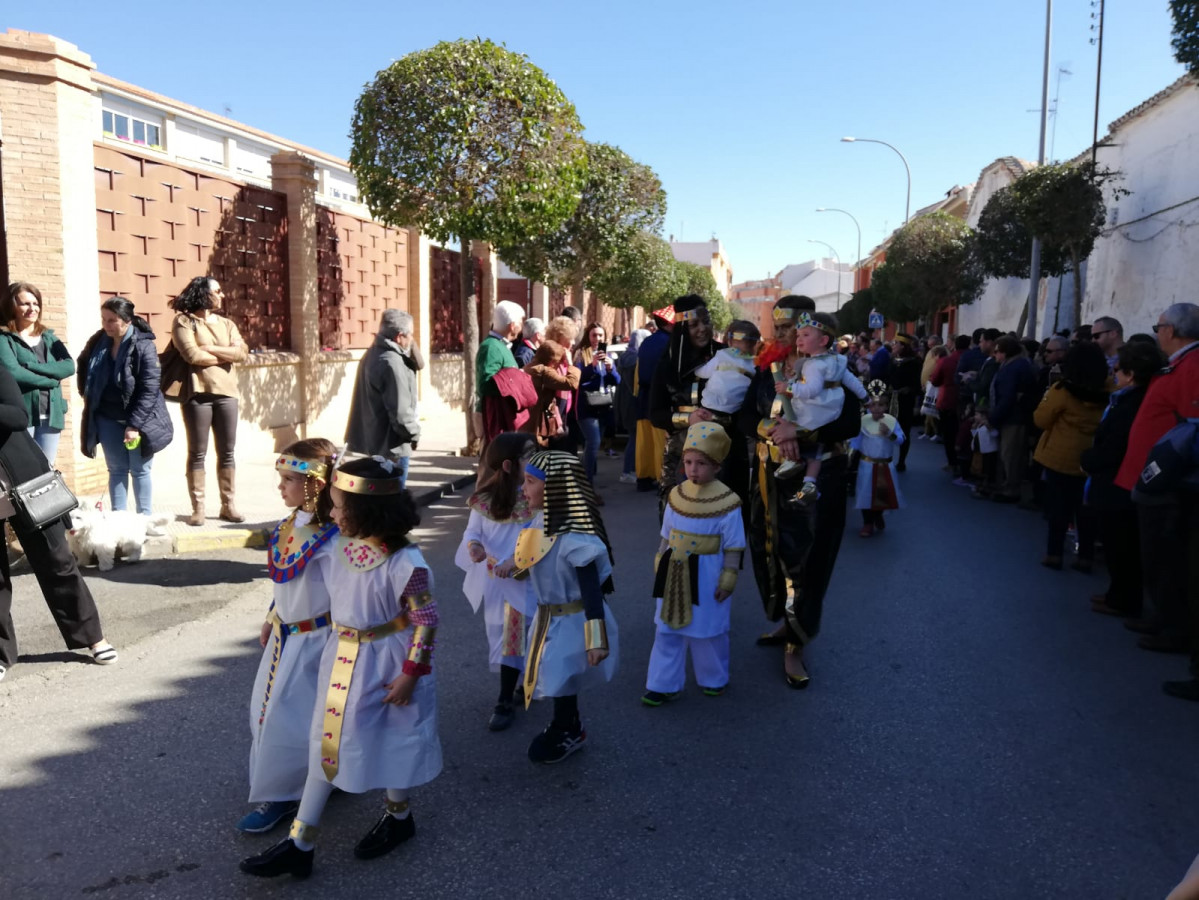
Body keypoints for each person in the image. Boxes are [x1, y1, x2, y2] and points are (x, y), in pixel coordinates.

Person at [240, 457, 441, 878]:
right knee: (325, 744)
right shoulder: (335, 547)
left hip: (387, 662)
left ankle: (398, 817)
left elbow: (425, 622)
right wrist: (276, 614)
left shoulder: (406, 563)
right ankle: (300, 841)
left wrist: (410, 674)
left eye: (337, 507)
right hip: (342, 657)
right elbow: (295, 581)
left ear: (367, 511)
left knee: (393, 738)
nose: (330, 515)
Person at [737, 295, 859, 689]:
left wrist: (802, 432)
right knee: (768, 549)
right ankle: (785, 621)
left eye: (795, 326)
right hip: (769, 475)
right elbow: (744, 415)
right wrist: (771, 430)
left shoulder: (833, 365)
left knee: (808, 557)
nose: (788, 334)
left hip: (818, 478)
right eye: (782, 327)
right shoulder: (769, 366)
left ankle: (797, 639)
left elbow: (851, 422)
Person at [238, 439, 338, 835]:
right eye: (280, 479)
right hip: (285, 640)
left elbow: (344, 593)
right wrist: (271, 614)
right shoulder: (288, 525)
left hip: (319, 641)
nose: (281, 487)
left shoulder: (333, 535)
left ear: (315, 483)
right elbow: (285, 585)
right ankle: (292, 785)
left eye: (289, 480)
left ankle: (283, 796)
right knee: (269, 715)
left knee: (297, 720)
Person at [0, 365, 118, 683]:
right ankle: (1, 653)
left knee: (57, 561)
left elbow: (16, 416)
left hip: (24, 481)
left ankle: (92, 638)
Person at [1111, 304, 1199, 687]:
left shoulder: (1192, 366)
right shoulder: (1180, 364)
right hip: (1153, 479)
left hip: (1169, 484)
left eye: (1159, 326)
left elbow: (1191, 431)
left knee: (1168, 559)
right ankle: (1163, 618)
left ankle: (1174, 627)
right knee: (1155, 556)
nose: (1157, 332)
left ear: (1174, 331)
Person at [516, 450, 619, 763]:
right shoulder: (540, 522)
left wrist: (596, 639)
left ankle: (567, 729)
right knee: (559, 677)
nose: (523, 488)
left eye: (531, 481)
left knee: (560, 675)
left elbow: (590, 587)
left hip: (573, 620)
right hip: (549, 617)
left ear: (556, 488)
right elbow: (532, 558)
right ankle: (569, 725)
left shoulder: (575, 536)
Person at [643, 422, 744, 706]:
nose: (693, 469)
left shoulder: (727, 502)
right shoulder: (677, 496)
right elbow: (666, 534)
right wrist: (659, 562)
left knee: (707, 631)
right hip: (673, 570)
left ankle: (714, 678)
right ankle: (662, 684)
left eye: (701, 463)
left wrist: (728, 578)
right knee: (666, 630)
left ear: (716, 466)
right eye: (688, 462)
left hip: (707, 573)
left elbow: (734, 544)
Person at [454, 432, 538, 732]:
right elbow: (472, 532)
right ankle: (520, 683)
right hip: (493, 581)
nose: (534, 459)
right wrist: (474, 546)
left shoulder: (536, 496)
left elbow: (540, 537)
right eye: (528, 455)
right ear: (507, 465)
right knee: (499, 635)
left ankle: (504, 699)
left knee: (513, 636)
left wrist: (516, 563)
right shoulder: (483, 500)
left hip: (521, 579)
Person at [1080, 342, 1164, 619]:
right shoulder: (1134, 397)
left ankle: (1123, 599)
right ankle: (1117, 593)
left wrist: (1090, 459)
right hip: (1117, 478)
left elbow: (1116, 443)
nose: (1113, 374)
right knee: (1119, 542)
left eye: (1117, 369)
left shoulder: (1132, 402)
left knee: (1121, 544)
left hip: (1117, 480)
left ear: (1129, 373)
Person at [77, 299, 174, 516]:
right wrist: (88, 394)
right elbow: (83, 364)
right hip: (107, 418)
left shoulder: (143, 345)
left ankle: (144, 520)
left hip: (139, 419)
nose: (106, 325)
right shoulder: (98, 341)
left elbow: (149, 388)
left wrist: (134, 426)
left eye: (112, 320)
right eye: (104, 319)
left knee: (140, 470)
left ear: (127, 320)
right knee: (117, 470)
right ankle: (118, 520)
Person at [170, 276, 249, 526]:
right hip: (197, 395)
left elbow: (242, 353)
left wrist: (211, 349)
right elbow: (192, 355)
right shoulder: (184, 321)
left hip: (227, 394)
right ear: (204, 294)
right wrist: (226, 354)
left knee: (227, 452)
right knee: (197, 452)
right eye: (217, 291)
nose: (222, 295)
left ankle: (228, 505)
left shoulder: (227, 323)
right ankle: (199, 508)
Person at [649, 296, 730, 519]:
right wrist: (688, 419)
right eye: (694, 325)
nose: (702, 329)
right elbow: (656, 414)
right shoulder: (667, 364)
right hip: (680, 458)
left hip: (725, 456)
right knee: (679, 527)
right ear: (682, 328)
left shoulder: (727, 357)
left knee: (722, 526)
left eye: (706, 321)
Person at [774, 311, 867, 506]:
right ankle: (809, 484)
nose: (799, 340)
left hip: (816, 407)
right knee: (817, 450)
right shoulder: (837, 360)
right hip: (833, 405)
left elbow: (812, 389)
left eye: (805, 335)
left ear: (823, 340)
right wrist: (865, 396)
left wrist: (788, 387)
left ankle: (795, 460)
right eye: (798, 335)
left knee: (793, 422)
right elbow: (851, 381)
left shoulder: (812, 365)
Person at [1032, 341, 1110, 571]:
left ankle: (1054, 553)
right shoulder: (1111, 391)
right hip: (1094, 456)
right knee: (1086, 510)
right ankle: (1085, 556)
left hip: (1061, 456)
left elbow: (1041, 420)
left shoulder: (1062, 391)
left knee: (1059, 509)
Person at [345, 309, 420, 488]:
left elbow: (420, 363)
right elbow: (401, 413)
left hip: (377, 443)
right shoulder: (391, 362)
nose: (412, 339)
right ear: (399, 337)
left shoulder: (375, 353)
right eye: (410, 335)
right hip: (392, 446)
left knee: (381, 499)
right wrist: (414, 433)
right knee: (392, 500)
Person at [0, 282, 74, 463]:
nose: (32, 308)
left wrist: (32, 366)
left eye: (35, 303)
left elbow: (69, 367)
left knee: (47, 470)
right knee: (24, 470)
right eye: (25, 303)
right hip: (23, 415)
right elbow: (13, 373)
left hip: (51, 414)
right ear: (12, 306)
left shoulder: (49, 337)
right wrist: (51, 380)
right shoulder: (4, 338)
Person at [985, 336, 1038, 504]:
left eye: (997, 352)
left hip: (1014, 418)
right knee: (1008, 454)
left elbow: (1008, 397)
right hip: (1011, 416)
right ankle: (1007, 485)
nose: (995, 355)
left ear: (1005, 352)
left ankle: (1011, 489)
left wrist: (993, 418)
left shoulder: (1014, 367)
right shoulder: (1015, 365)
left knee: (1011, 455)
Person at [851, 381, 905, 537]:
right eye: (873, 405)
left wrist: (890, 434)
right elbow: (855, 441)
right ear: (868, 407)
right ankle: (867, 522)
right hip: (866, 464)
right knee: (865, 493)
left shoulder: (891, 422)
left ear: (886, 407)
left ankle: (878, 515)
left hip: (884, 465)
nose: (876, 408)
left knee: (882, 494)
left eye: (880, 405)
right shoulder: (863, 422)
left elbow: (900, 440)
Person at [573, 322, 620, 495]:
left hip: (602, 405)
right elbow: (577, 379)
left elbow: (616, 381)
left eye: (600, 335)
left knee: (592, 444)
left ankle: (587, 477)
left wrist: (610, 369)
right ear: (588, 336)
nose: (597, 339)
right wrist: (591, 366)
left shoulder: (607, 354)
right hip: (586, 406)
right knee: (593, 442)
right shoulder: (580, 354)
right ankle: (586, 484)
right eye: (594, 335)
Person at [475, 300, 526, 445]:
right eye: (520, 322)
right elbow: (485, 385)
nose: (522, 327)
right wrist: (514, 382)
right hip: (493, 417)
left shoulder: (502, 346)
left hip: (503, 415)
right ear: (512, 325)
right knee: (492, 464)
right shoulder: (491, 347)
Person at [634, 307, 674, 492]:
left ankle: (643, 477)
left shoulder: (646, 343)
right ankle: (661, 479)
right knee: (660, 441)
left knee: (644, 441)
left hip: (643, 397)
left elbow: (637, 372)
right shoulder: (671, 343)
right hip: (660, 397)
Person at [694, 320, 759, 419]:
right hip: (731, 410)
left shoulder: (722, 354)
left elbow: (703, 372)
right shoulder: (755, 363)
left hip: (711, 405)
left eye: (740, 341)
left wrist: (695, 367)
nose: (736, 344)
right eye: (735, 341)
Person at [930, 335, 968, 472]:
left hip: (948, 400)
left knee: (949, 433)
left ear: (954, 345)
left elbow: (935, 380)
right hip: (967, 401)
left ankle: (952, 462)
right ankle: (966, 464)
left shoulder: (946, 361)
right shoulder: (975, 359)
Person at [615, 328, 648, 484]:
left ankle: (629, 470)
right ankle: (627, 471)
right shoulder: (637, 360)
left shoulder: (624, 358)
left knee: (633, 438)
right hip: (634, 404)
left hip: (625, 404)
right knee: (634, 439)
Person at [887, 333, 921, 470]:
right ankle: (886, 458)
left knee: (904, 431)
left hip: (905, 401)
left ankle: (901, 461)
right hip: (890, 400)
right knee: (887, 429)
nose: (893, 346)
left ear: (903, 346)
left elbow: (917, 384)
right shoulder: (892, 361)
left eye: (896, 343)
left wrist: (908, 389)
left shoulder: (914, 362)